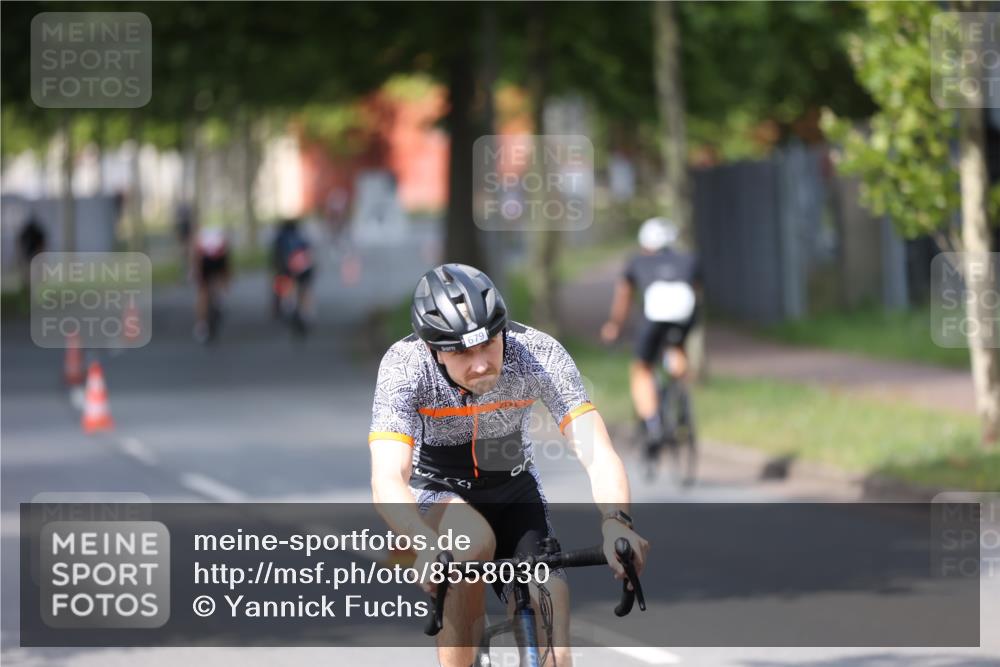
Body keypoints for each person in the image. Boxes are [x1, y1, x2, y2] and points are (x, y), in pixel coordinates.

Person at [369, 263, 649, 667]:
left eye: (487, 344)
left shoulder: (537, 353)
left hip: (513, 487)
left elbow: (597, 450)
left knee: (553, 607)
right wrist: (424, 543)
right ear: (432, 349)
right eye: (462, 352)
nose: (480, 362)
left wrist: (615, 521)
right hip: (436, 490)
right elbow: (387, 477)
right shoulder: (405, 366)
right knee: (472, 542)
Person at [601, 217, 701, 452]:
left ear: (645, 243)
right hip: (684, 316)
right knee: (676, 347)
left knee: (642, 369)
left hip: (654, 317)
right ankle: (680, 387)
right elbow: (697, 293)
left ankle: (653, 423)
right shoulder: (689, 259)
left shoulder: (637, 261)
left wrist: (615, 325)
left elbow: (624, 296)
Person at [270, 217, 315, 336]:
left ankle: (288, 306)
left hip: (286, 267)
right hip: (304, 267)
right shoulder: (302, 236)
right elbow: (309, 253)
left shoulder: (280, 238)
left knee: (285, 287)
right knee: (304, 289)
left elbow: (276, 256)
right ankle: (306, 314)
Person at [190, 224, 231, 343]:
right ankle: (218, 301)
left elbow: (195, 258)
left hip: (207, 260)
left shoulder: (200, 241)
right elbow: (227, 263)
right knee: (208, 289)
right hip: (215, 260)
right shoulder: (220, 241)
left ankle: (201, 325)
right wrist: (227, 281)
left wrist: (193, 272)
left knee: (203, 292)